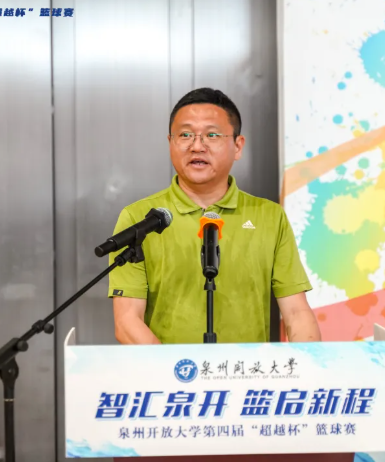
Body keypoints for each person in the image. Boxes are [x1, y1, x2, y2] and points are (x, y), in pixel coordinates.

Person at [108, 88, 321, 345]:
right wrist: (175, 367)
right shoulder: (139, 219)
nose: (197, 146)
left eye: (212, 135)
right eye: (185, 135)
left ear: (238, 146)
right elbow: (127, 321)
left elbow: (296, 313)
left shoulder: (269, 216)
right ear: (170, 143)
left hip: (249, 369)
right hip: (171, 370)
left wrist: (309, 363)